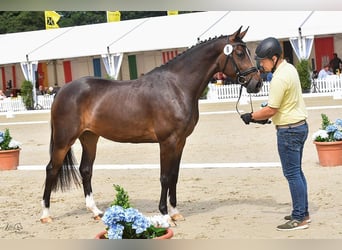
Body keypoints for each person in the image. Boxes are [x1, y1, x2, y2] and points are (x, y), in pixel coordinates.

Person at [240, 37, 310, 231]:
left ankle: (299, 218)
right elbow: (280, 103)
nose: (261, 65)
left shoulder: (279, 77)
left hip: (288, 131)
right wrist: (265, 111)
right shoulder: (290, 69)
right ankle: (303, 212)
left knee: (292, 174)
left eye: (263, 61)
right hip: (299, 126)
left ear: (274, 57)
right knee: (297, 172)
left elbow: (271, 110)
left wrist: (251, 116)